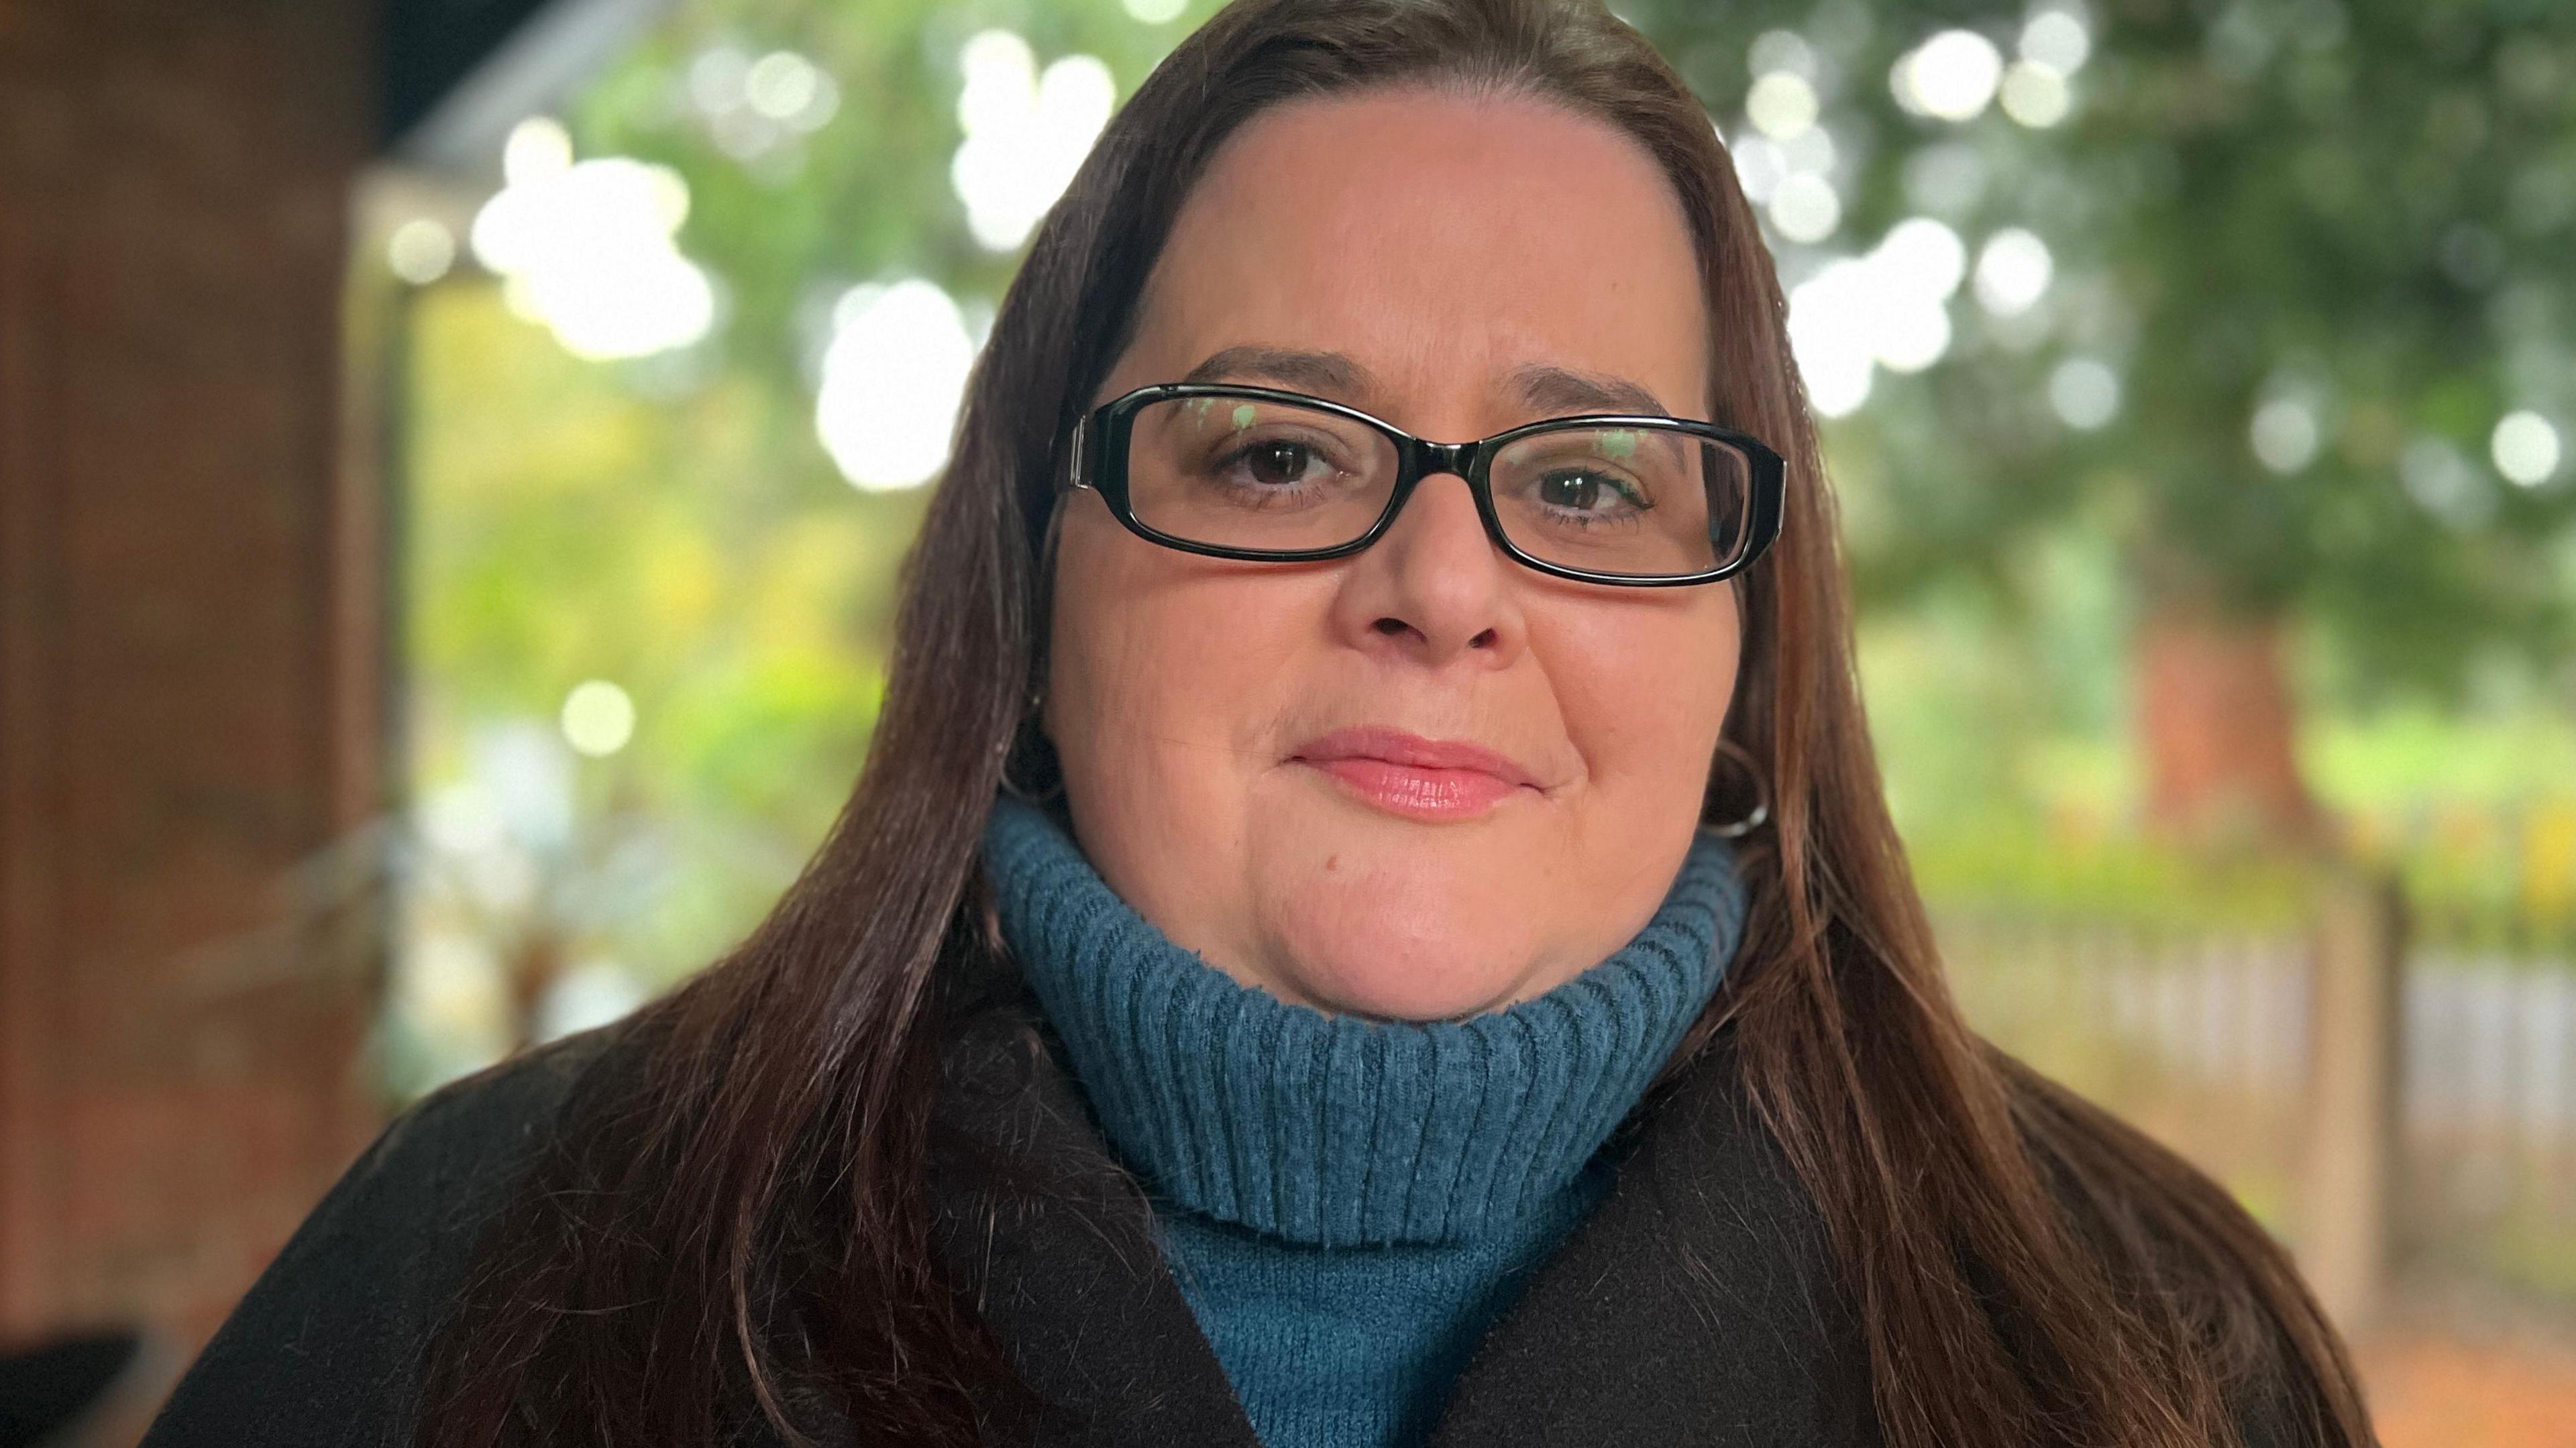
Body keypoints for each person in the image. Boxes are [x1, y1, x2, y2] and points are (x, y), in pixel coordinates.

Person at [140, 0, 2377, 1444]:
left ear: (1747, 643)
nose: (1443, 586)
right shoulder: (488, 1278)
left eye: (1587, 482)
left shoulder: (2154, 1354)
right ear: (1036, 580)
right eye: (1279, 455)